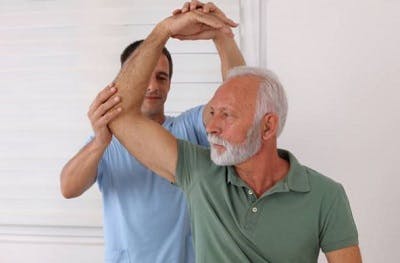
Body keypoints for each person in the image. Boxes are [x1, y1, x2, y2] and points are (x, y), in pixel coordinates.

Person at [102, 3, 363, 263]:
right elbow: (120, 115)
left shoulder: (326, 195)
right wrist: (163, 31)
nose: (212, 127)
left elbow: (243, 92)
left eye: (226, 115)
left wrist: (222, 36)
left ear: (268, 126)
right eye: (212, 113)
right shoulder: (199, 173)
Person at [59, 1, 244, 262]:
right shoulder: (106, 141)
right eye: (144, 76)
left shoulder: (188, 127)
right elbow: (68, 187)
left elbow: (238, 101)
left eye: (162, 77)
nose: (153, 86)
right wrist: (100, 142)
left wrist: (221, 35)